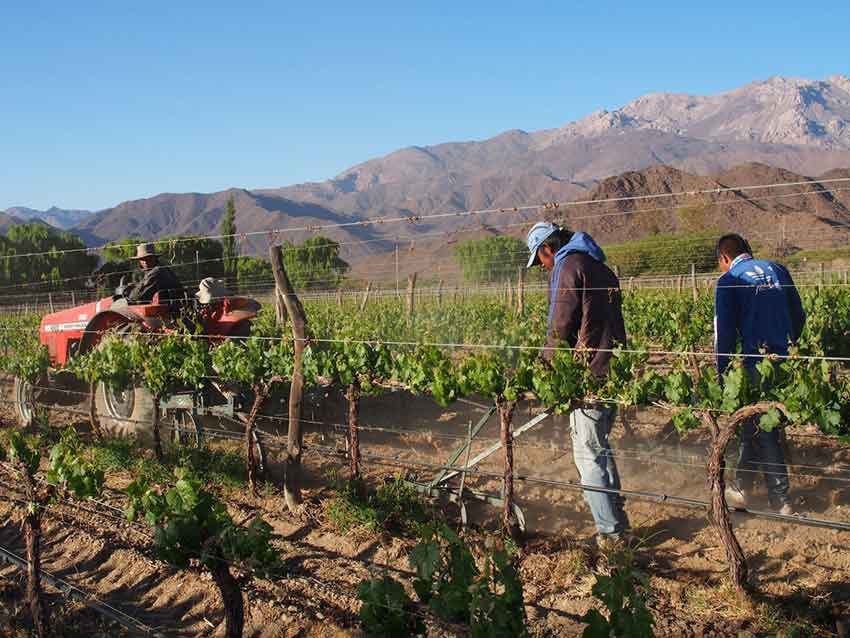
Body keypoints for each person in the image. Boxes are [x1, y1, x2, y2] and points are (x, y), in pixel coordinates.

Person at [526, 221, 630, 544]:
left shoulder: (567, 265)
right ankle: (618, 521)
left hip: (588, 375)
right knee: (600, 447)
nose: (543, 268)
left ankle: (611, 534)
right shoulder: (600, 267)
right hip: (613, 372)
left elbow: (559, 326)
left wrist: (542, 370)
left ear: (547, 248)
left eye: (540, 260)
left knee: (588, 455)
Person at [714, 233, 805, 516]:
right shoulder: (777, 269)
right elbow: (799, 315)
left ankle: (781, 499)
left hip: (754, 362)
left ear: (724, 258)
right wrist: (787, 345)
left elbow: (724, 332)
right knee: (753, 424)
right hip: (782, 360)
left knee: (764, 430)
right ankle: (741, 488)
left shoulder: (729, 280)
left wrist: (723, 370)